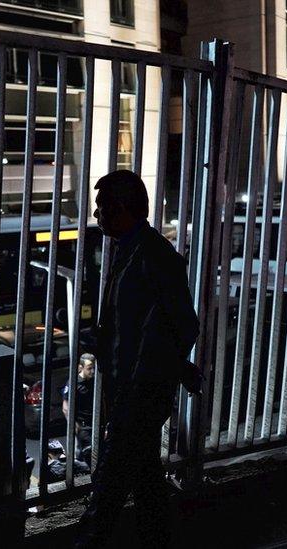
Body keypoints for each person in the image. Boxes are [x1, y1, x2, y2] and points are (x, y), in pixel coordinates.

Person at [75, 170, 200, 548]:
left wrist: (150, 374)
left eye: (102, 208)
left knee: (108, 487)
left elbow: (182, 324)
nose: (97, 216)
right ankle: (158, 538)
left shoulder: (154, 257)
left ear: (124, 209)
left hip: (139, 393)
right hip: (134, 389)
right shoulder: (132, 250)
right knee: (145, 477)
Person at [62, 353, 96, 464]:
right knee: (89, 452)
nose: (93, 371)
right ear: (81, 368)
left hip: (96, 422)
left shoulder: (95, 381)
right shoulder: (74, 383)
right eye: (89, 368)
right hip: (83, 425)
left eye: (94, 368)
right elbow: (65, 407)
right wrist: (73, 423)